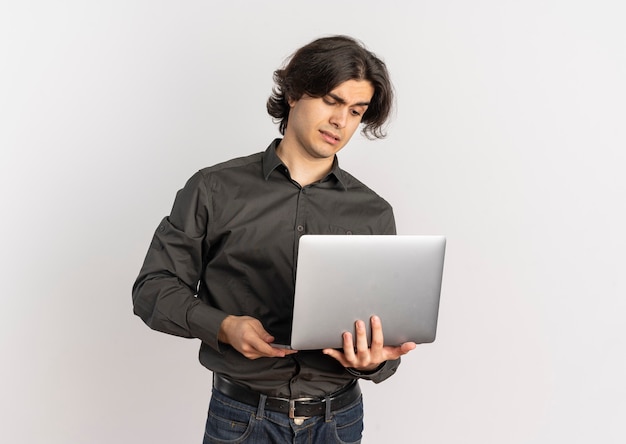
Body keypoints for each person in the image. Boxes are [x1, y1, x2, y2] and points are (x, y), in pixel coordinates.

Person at [132, 35, 416, 443]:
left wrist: (373, 363)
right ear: (296, 93)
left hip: (339, 422)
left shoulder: (373, 212)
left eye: (356, 111)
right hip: (241, 420)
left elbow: (384, 339)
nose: (342, 121)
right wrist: (224, 327)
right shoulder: (214, 188)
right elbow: (152, 289)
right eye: (332, 102)